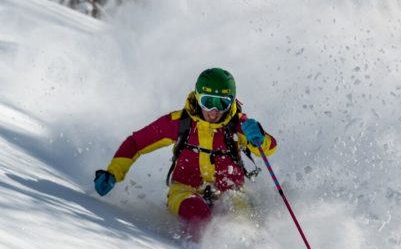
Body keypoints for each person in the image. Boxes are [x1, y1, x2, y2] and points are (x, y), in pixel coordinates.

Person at [94, 68, 277, 239]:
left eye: (221, 103)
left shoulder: (239, 125)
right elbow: (136, 143)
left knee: (242, 219)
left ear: (231, 102)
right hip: (185, 190)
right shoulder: (180, 122)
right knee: (197, 214)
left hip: (230, 190)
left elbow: (269, 149)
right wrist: (113, 172)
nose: (213, 111)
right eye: (208, 101)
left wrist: (260, 137)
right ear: (197, 98)